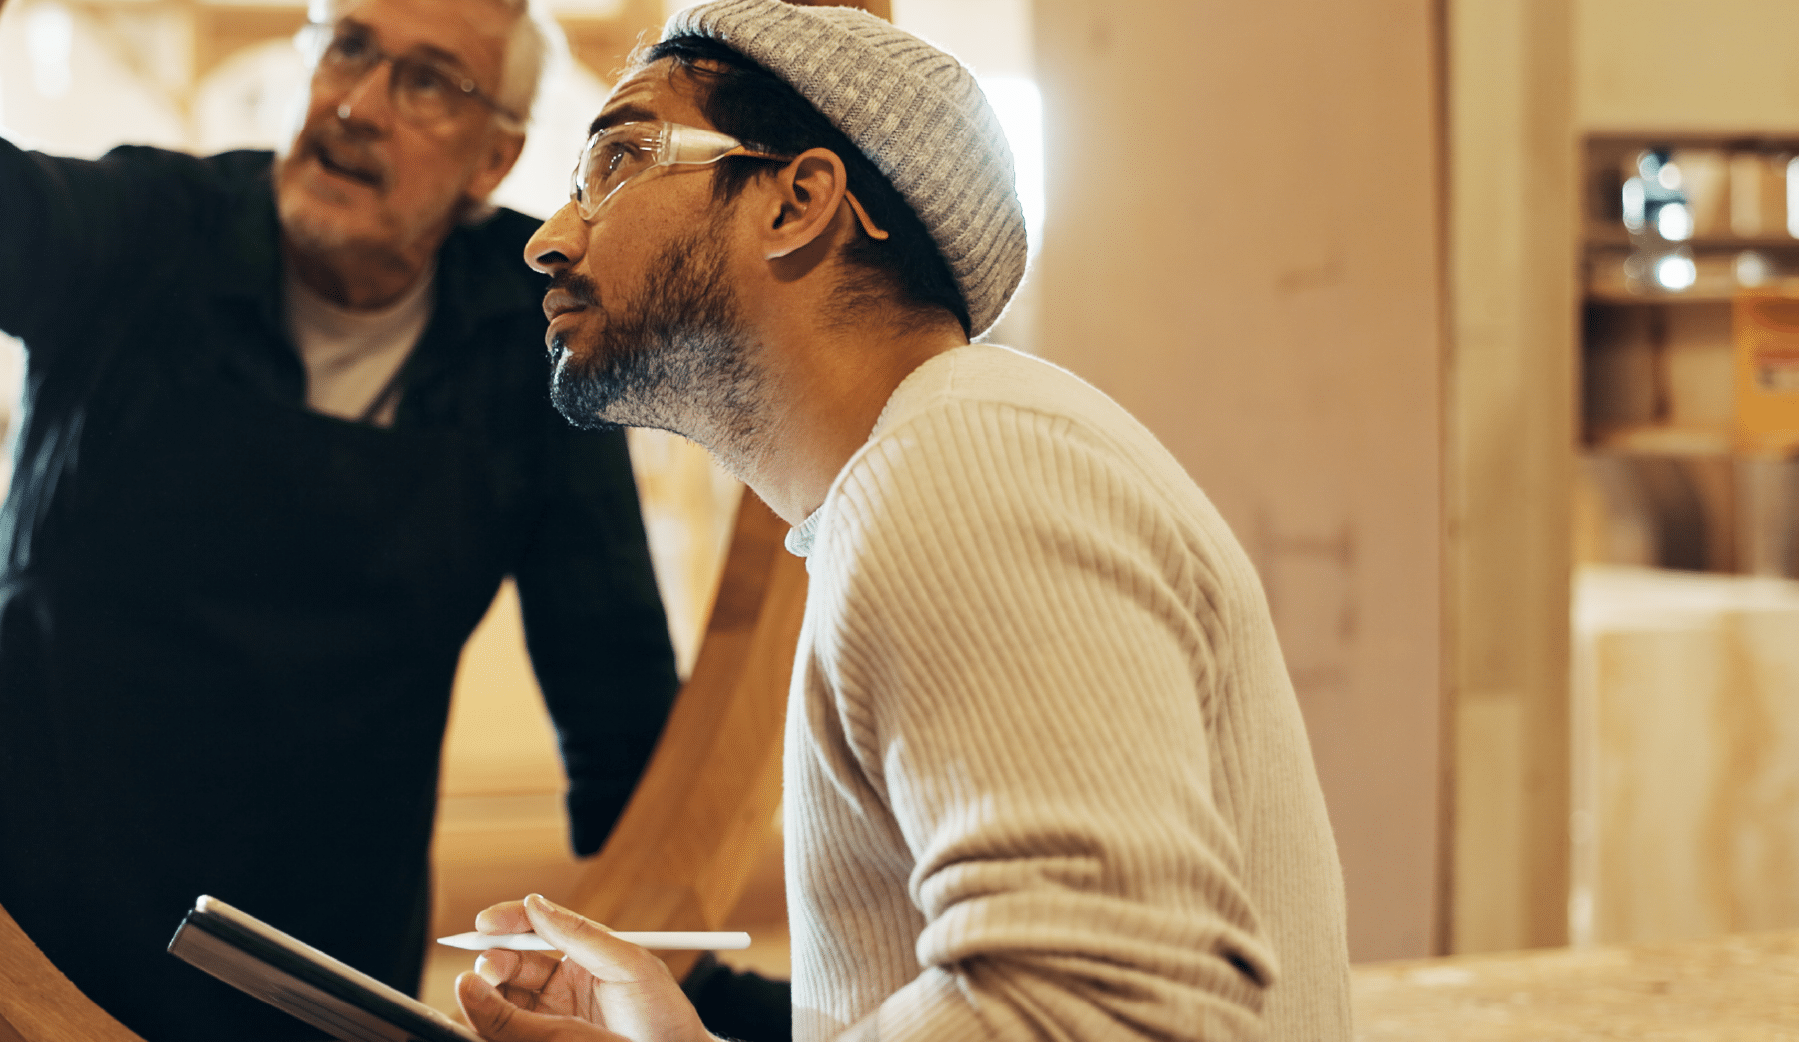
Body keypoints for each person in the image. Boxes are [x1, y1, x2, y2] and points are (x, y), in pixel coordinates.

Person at [452, 2, 1355, 1039]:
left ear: (796, 202)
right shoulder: (912, 475)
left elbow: (1095, 1007)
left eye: (617, 159)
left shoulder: (961, 464)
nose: (549, 238)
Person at [0, 0, 684, 1039]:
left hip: (297, 971)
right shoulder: (153, 226)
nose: (358, 105)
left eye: (426, 82)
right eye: (349, 48)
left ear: (492, 162)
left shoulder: (529, 328)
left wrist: (659, 990)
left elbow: (621, 722)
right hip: (3, 910)